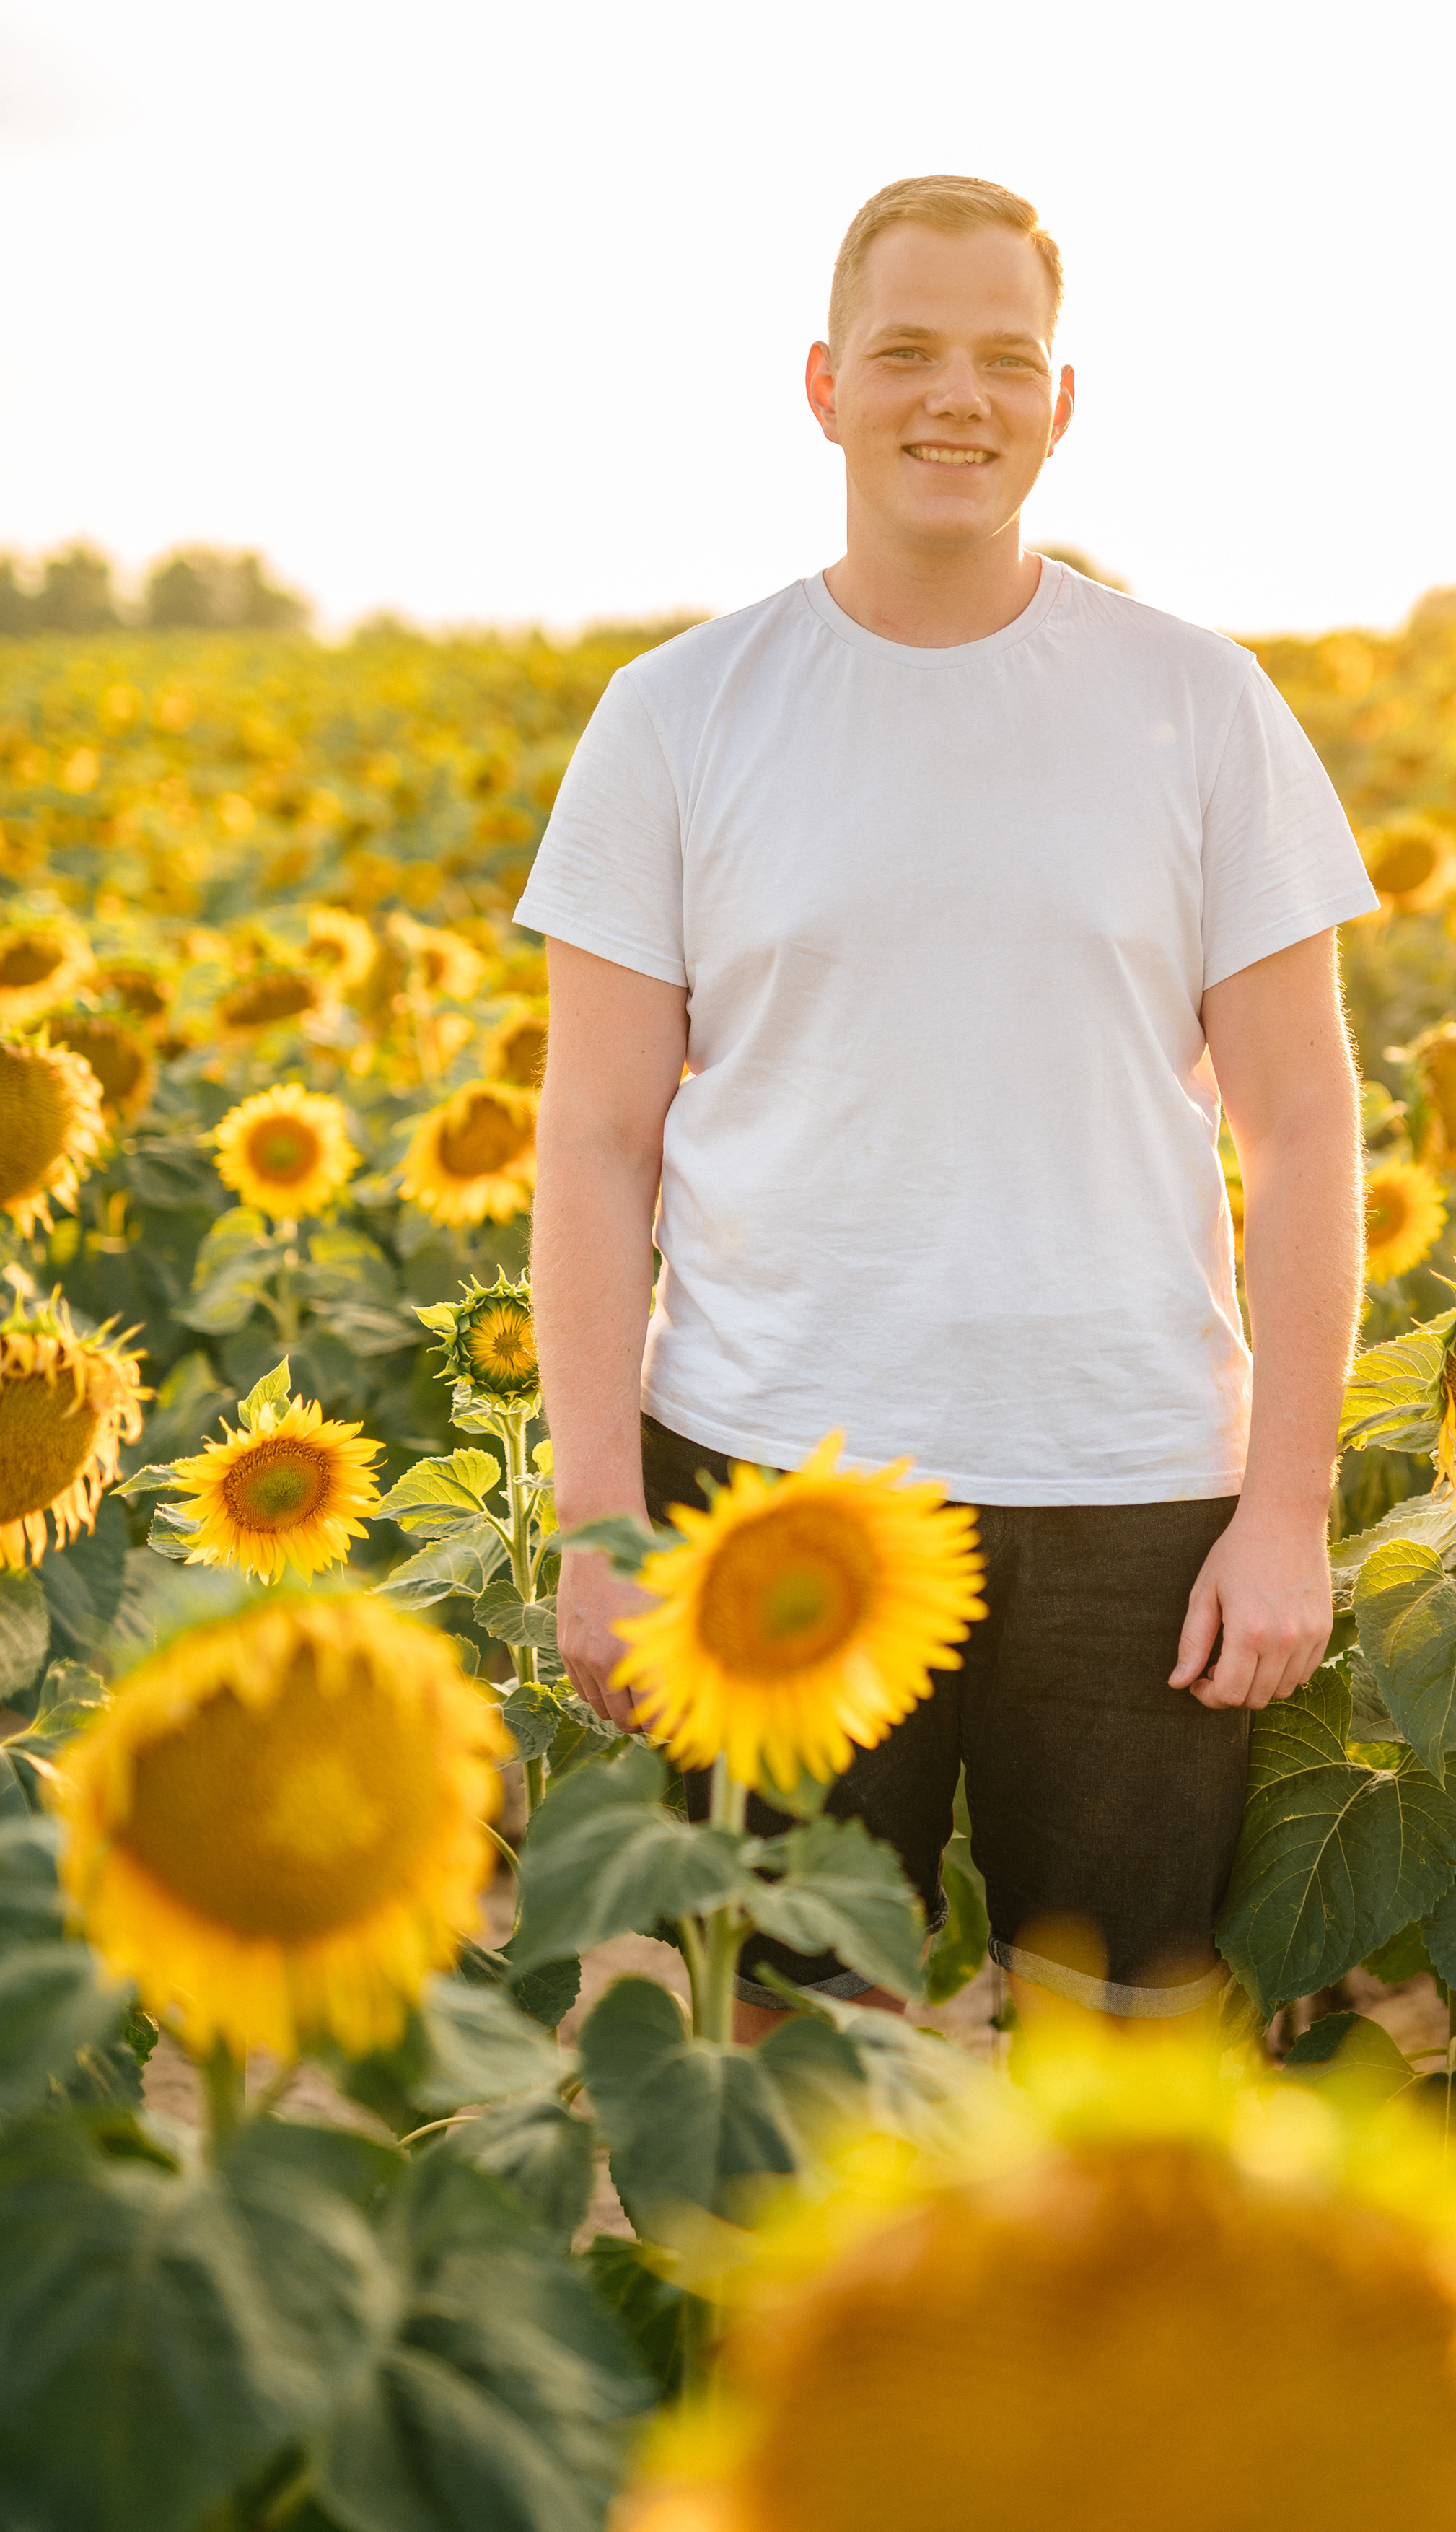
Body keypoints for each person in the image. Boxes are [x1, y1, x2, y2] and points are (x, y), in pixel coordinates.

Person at [520, 172, 1375, 2036]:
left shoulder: (1199, 703)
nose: (955, 397)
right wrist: (599, 1525)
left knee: (1118, 2060)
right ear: (825, 384)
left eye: (1005, 357)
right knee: (794, 2052)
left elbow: (1305, 1126)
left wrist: (1290, 1503)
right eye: (908, 351)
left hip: (1136, 1483)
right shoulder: (677, 715)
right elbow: (593, 1142)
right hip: (771, 1484)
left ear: (1063, 403)